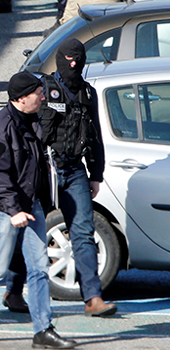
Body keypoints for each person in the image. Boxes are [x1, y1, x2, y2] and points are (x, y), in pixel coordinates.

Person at [0, 72, 78, 349]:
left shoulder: (32, 120)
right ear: (20, 98)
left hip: (32, 206)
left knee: (39, 269)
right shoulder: (0, 129)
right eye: (38, 93)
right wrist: (14, 210)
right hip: (6, 210)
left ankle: (42, 330)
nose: (43, 96)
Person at [38, 38, 118, 316]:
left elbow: (94, 135)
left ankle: (92, 297)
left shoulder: (87, 93)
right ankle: (13, 290)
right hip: (44, 169)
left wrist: (96, 174)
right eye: (68, 59)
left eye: (78, 60)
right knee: (33, 232)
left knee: (83, 231)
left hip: (74, 169)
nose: (73, 65)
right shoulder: (44, 90)